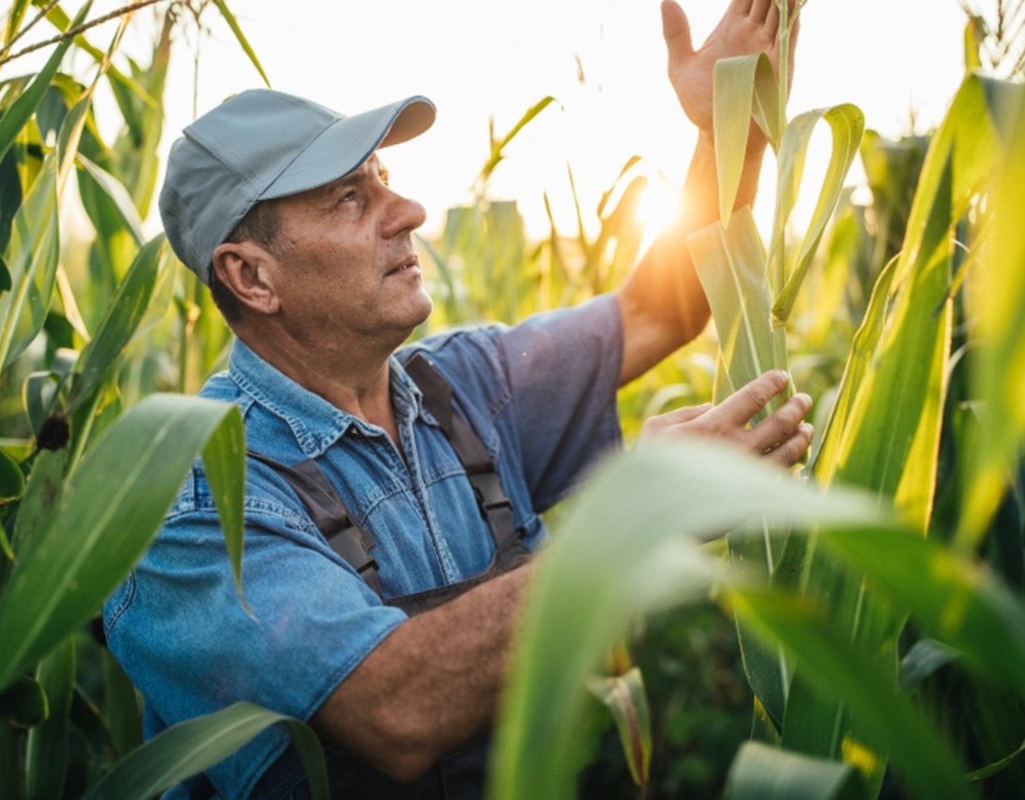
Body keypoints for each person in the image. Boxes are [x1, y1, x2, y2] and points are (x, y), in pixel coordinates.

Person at [103, 1, 810, 797]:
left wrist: (727, 116)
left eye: (384, 182)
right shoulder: (198, 505)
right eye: (349, 198)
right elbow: (394, 706)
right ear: (252, 276)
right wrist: (634, 514)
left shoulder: (466, 385)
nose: (408, 214)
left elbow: (661, 309)